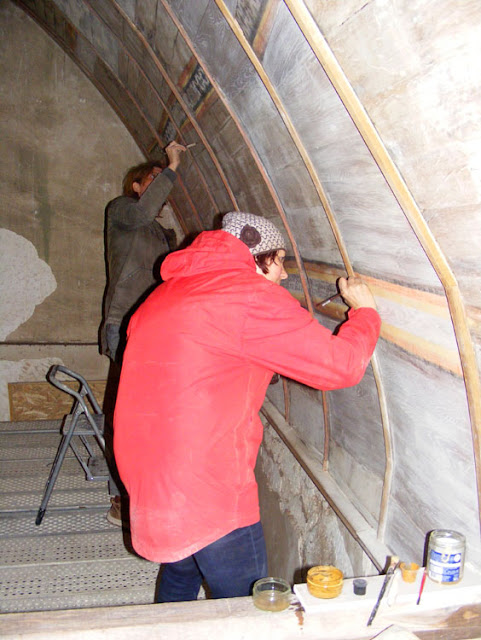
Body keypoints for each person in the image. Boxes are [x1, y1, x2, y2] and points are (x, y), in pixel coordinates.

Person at [113, 211, 381, 601]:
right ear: (260, 257)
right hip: (208, 485)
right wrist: (366, 313)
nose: (285, 275)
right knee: (244, 605)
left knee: (181, 571)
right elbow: (340, 366)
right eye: (281, 261)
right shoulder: (250, 296)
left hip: (151, 474)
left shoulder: (163, 295)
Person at [100, 140, 186, 526]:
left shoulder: (160, 233)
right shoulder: (122, 212)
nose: (158, 186)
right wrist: (172, 165)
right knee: (126, 416)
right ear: (136, 186)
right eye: (151, 179)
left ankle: (147, 489)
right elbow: (145, 210)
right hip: (125, 324)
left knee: (151, 415)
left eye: (161, 180)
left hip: (153, 329)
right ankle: (121, 497)